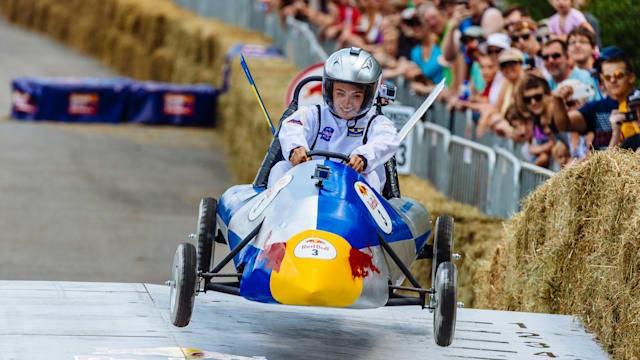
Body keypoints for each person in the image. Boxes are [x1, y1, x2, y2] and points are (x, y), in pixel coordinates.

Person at [268, 47, 399, 192]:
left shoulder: (376, 123)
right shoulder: (314, 114)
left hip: (350, 196)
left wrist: (363, 157)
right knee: (280, 168)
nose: (346, 103)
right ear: (329, 91)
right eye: (340, 93)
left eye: (356, 96)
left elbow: (386, 140)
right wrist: (296, 148)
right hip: (306, 190)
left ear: (368, 96)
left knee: (371, 176)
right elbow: (292, 127)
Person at [553, 47, 637, 151]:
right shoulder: (597, 107)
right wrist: (558, 100)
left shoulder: (637, 102)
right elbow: (564, 125)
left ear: (631, 77)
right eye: (607, 77)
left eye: (618, 75)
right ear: (601, 80)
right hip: (605, 165)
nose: (612, 80)